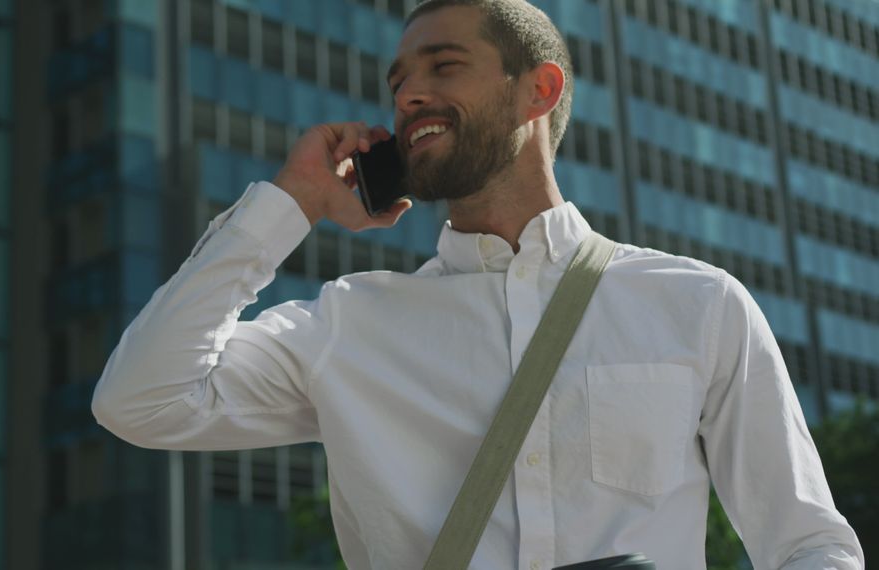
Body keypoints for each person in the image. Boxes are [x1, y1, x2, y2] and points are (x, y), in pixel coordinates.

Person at [91, 0, 864, 567]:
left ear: (540, 90)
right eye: (398, 80)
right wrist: (288, 206)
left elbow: (810, 543)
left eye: (443, 66)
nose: (407, 95)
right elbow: (139, 401)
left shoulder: (698, 304)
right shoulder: (349, 326)